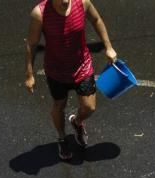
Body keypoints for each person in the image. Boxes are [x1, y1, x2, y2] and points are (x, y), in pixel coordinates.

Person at [24, 0, 117, 161]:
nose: (65, 1)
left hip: (82, 66)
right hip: (56, 71)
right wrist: (29, 74)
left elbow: (96, 20)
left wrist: (108, 47)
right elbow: (31, 44)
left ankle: (77, 121)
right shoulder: (40, 13)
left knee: (89, 107)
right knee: (59, 105)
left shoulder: (82, 3)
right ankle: (62, 138)